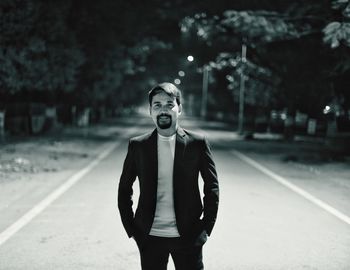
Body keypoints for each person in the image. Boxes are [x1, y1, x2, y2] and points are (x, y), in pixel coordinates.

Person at [118, 82, 219, 270]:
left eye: (169, 104)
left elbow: (212, 186)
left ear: (179, 108)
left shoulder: (197, 143)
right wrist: (132, 228)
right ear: (150, 110)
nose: (163, 110)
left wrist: (206, 228)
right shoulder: (138, 145)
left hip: (189, 236)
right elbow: (124, 189)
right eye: (157, 105)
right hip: (150, 237)